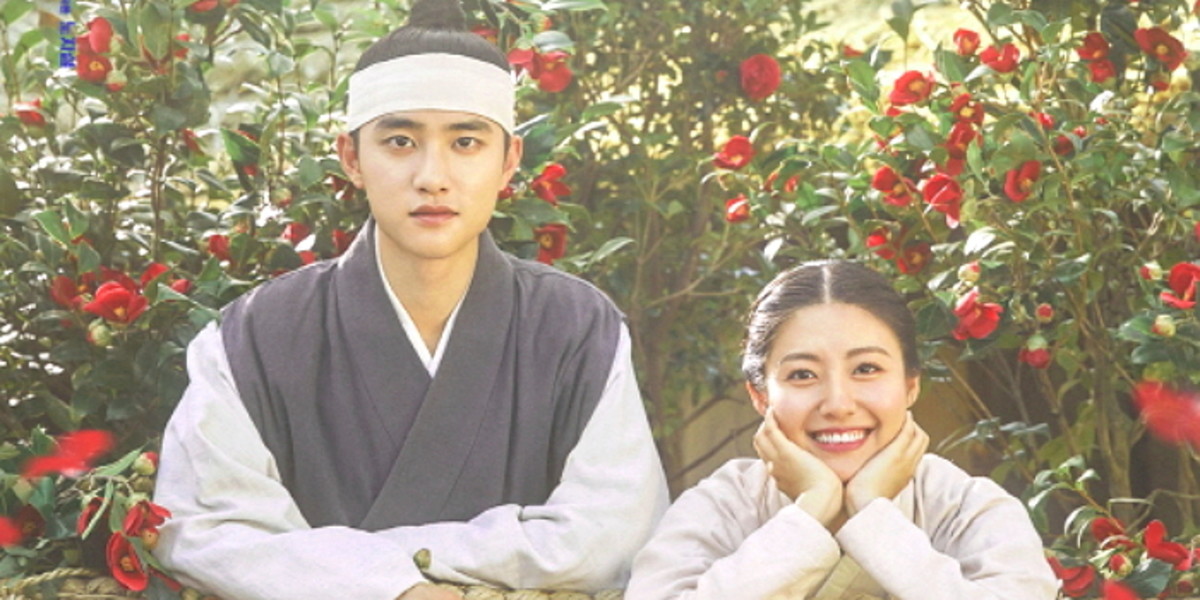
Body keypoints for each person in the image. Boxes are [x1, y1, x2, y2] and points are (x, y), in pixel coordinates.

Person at [151, 1, 668, 598]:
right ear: (352, 159)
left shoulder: (576, 328)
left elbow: (614, 536)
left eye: (466, 142)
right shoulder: (254, 337)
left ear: (508, 162)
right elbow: (202, 528)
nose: (432, 176)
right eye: (399, 141)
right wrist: (390, 588)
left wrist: (371, 565)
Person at [625, 260, 1058, 600]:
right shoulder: (722, 507)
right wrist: (811, 510)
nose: (837, 404)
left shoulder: (967, 508)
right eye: (802, 375)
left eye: (866, 369)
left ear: (911, 385)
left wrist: (872, 514)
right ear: (760, 396)